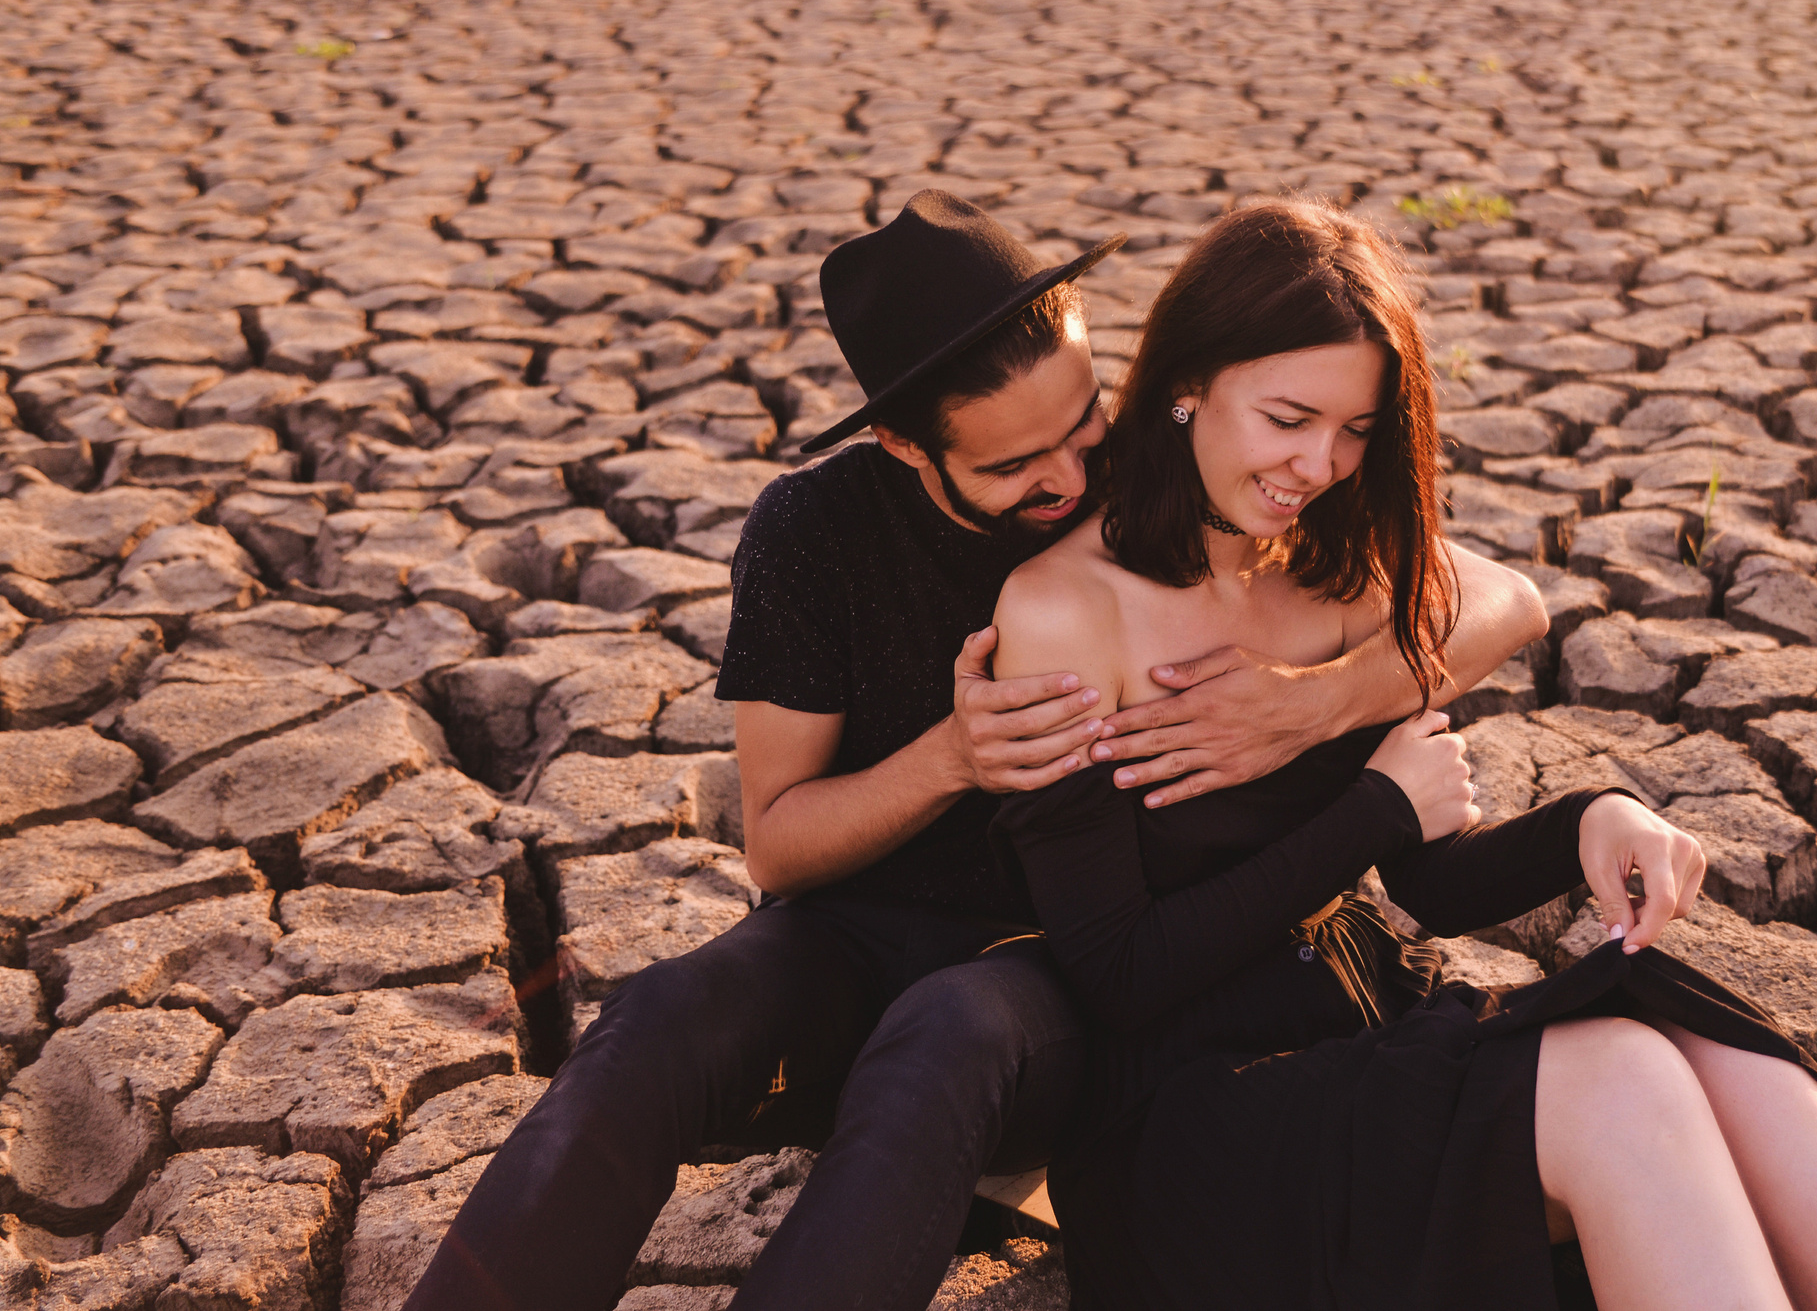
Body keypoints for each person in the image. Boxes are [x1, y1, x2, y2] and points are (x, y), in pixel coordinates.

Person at [403, 192, 1550, 1311]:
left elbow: (1496, 594)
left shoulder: (1167, 466)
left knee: (949, 1032)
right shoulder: (817, 533)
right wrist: (953, 756)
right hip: (864, 934)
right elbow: (779, 846)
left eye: (1080, 422)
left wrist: (1317, 701)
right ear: (905, 444)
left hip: (1065, 962)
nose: (1065, 479)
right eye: (1012, 465)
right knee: (657, 1014)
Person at [989, 199, 1817, 1311]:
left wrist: (1592, 816)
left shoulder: (1330, 564)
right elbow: (1118, 971)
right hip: (1183, 1137)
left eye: (1355, 428)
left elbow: (1434, 877)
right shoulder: (1066, 611)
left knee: (1696, 1033)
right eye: (1287, 415)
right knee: (1617, 1075)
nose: (1318, 460)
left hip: (1366, 1046)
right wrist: (1371, 808)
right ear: (1187, 382)